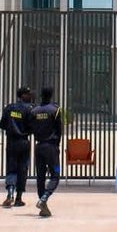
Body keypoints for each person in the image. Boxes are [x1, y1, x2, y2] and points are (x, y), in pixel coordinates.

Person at [29, 85, 64, 217]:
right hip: (51, 147)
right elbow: (59, 131)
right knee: (55, 175)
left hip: (39, 147)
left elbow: (31, 127)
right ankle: (44, 198)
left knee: (40, 177)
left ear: (41, 95)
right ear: (51, 95)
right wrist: (57, 145)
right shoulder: (55, 110)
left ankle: (43, 204)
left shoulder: (34, 111)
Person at [0, 85, 34, 207]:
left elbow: (2, 125)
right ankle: (18, 198)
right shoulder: (29, 109)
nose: (30, 96)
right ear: (22, 95)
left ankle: (10, 193)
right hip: (23, 142)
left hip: (12, 142)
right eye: (28, 94)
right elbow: (32, 127)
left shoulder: (9, 108)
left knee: (11, 168)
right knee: (22, 169)